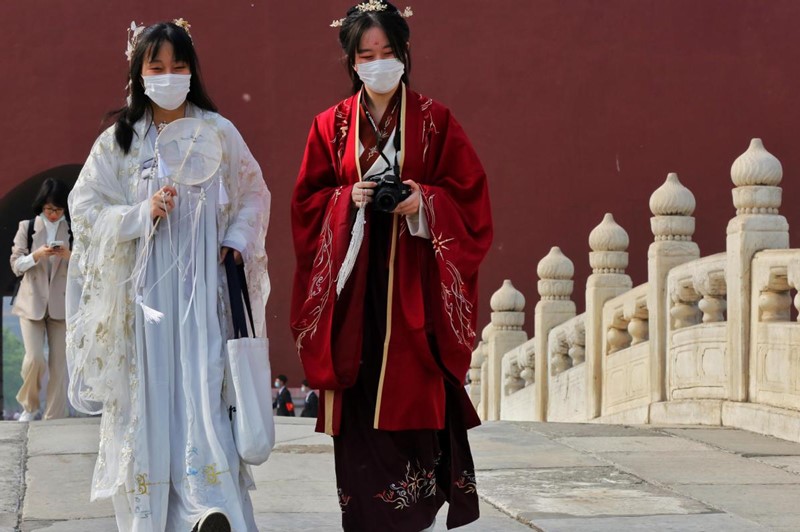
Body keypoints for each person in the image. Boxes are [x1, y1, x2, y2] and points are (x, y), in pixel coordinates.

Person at [290, 2, 493, 530]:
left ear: (404, 54)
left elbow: (469, 198)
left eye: (388, 52)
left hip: (415, 289)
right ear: (351, 62)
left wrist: (422, 200)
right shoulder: (329, 126)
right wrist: (345, 197)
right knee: (360, 397)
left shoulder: (435, 120)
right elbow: (307, 202)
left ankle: (414, 511)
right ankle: (366, 515)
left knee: (416, 387)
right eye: (366, 54)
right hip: (354, 291)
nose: (378, 62)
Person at [65, 19, 270, 532]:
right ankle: (154, 517)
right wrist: (140, 213)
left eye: (178, 66)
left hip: (204, 297)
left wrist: (235, 242)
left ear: (191, 71)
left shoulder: (219, 133)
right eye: (157, 67)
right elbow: (86, 210)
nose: (168, 76)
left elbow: (253, 195)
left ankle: (209, 505)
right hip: (145, 302)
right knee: (150, 401)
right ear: (139, 73)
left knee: (203, 389)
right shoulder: (120, 143)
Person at [9, 178, 73, 422]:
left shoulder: (74, 230)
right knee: (34, 357)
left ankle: (54, 415)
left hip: (61, 304)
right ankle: (30, 405)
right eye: (49, 209)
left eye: (58, 209)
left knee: (59, 363)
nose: (53, 214)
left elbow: (88, 267)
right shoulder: (27, 228)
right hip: (31, 303)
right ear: (41, 206)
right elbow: (16, 265)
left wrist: (68, 255)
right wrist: (37, 254)